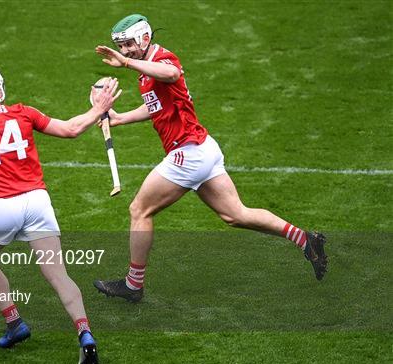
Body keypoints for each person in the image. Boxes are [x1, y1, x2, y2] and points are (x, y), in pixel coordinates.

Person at [92, 14, 328, 303]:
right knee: (235, 215)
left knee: (139, 210)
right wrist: (120, 119)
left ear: (143, 38)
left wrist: (126, 62)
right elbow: (156, 105)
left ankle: (133, 285)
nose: (126, 51)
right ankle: (306, 240)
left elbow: (172, 75)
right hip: (203, 149)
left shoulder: (163, 60)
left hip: (187, 152)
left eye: (129, 44)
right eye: (122, 47)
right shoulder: (147, 70)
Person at [0, 67, 120, 364]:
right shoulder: (23, 112)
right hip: (37, 202)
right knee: (58, 275)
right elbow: (71, 129)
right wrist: (98, 109)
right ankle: (85, 332)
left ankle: (14, 322)